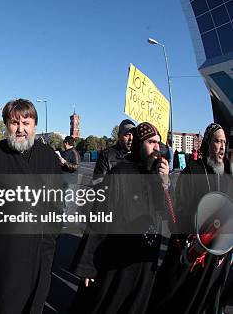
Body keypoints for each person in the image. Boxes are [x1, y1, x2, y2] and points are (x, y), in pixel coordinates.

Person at [0, 99, 63, 313]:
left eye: (26, 123)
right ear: (6, 125)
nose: (20, 129)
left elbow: (57, 203)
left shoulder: (48, 158)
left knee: (33, 303)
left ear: (34, 125)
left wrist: (50, 237)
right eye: (14, 123)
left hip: (37, 247)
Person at [72, 122, 172, 313]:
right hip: (119, 259)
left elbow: (170, 215)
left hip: (145, 261)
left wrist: (166, 183)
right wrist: (88, 265)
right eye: (151, 142)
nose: (157, 148)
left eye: (159, 144)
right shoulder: (120, 173)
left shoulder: (157, 177)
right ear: (139, 144)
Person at [148, 123, 232, 314]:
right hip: (192, 252)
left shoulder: (228, 175)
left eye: (224, 142)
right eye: (217, 141)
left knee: (208, 301)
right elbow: (175, 214)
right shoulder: (192, 171)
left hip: (217, 257)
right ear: (207, 143)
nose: (222, 147)